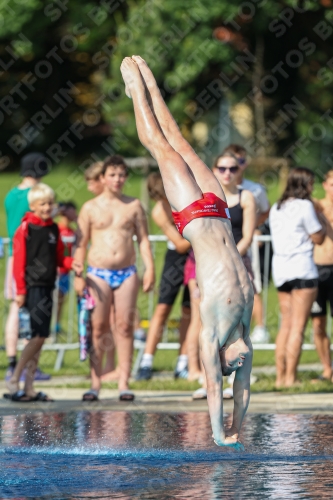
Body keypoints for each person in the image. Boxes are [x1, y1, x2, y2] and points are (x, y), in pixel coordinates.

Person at [121, 55, 253, 449]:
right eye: (239, 366)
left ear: (223, 356)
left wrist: (218, 432)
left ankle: (134, 92)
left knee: (161, 148)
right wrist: (237, 426)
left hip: (194, 217)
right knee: (179, 139)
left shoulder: (213, 328)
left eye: (235, 364)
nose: (241, 365)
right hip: (219, 208)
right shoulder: (244, 316)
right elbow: (242, 393)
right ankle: (147, 79)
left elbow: (218, 386)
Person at [74, 154, 155, 402]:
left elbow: (143, 240)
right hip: (97, 272)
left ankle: (123, 381)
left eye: (121, 175)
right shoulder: (90, 207)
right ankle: (96, 382)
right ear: (103, 178)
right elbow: (80, 243)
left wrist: (149, 268)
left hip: (127, 271)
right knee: (97, 328)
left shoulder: (133, 205)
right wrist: (78, 274)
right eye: (112, 175)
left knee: (125, 326)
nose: (118, 179)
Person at [5, 183, 75, 401]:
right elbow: (19, 263)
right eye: (42, 204)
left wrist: (74, 263)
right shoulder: (25, 229)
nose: (47, 207)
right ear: (33, 206)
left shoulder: (54, 229)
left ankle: (29, 385)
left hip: (48, 286)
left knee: (42, 337)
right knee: (36, 335)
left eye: (50, 203)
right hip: (31, 286)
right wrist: (21, 291)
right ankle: (15, 377)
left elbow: (59, 258)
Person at [269, 167, 326, 388]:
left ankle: (279, 377)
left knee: (286, 325)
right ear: (304, 184)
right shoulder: (305, 206)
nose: (313, 187)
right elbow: (318, 237)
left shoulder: (277, 207)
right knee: (298, 327)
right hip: (302, 269)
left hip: (281, 270)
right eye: (311, 183)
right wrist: (320, 216)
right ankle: (291, 378)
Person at [136, 171, 191, 381]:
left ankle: (183, 361)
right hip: (176, 257)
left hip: (196, 256)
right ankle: (147, 361)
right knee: (162, 308)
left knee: (189, 310)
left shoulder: (184, 201)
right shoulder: (159, 211)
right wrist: (200, 234)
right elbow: (179, 244)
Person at [4, 152, 51, 382]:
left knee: (15, 309)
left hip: (13, 255)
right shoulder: (33, 195)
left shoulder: (11, 195)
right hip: (30, 258)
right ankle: (27, 363)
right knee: (28, 312)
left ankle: (12, 361)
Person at [223, 144, 270, 343]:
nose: (232, 170)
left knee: (252, 286)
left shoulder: (253, 190)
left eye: (238, 163)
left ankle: (260, 327)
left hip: (246, 245)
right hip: (221, 251)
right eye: (228, 165)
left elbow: (266, 210)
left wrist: (251, 228)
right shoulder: (214, 188)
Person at [83, 161, 116, 380]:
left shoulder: (119, 205)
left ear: (100, 180)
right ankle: (100, 369)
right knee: (99, 323)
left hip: (118, 271)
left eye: (90, 182)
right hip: (98, 272)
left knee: (114, 322)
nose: (88, 187)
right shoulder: (91, 207)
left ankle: (111, 367)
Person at [311, 170, 333, 381]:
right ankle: (327, 368)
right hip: (318, 268)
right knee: (318, 323)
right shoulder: (316, 206)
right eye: (332, 184)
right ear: (325, 185)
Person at [55, 201, 78, 335]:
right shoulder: (57, 228)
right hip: (55, 271)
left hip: (66, 271)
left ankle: (56, 326)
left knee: (61, 300)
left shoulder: (72, 231)